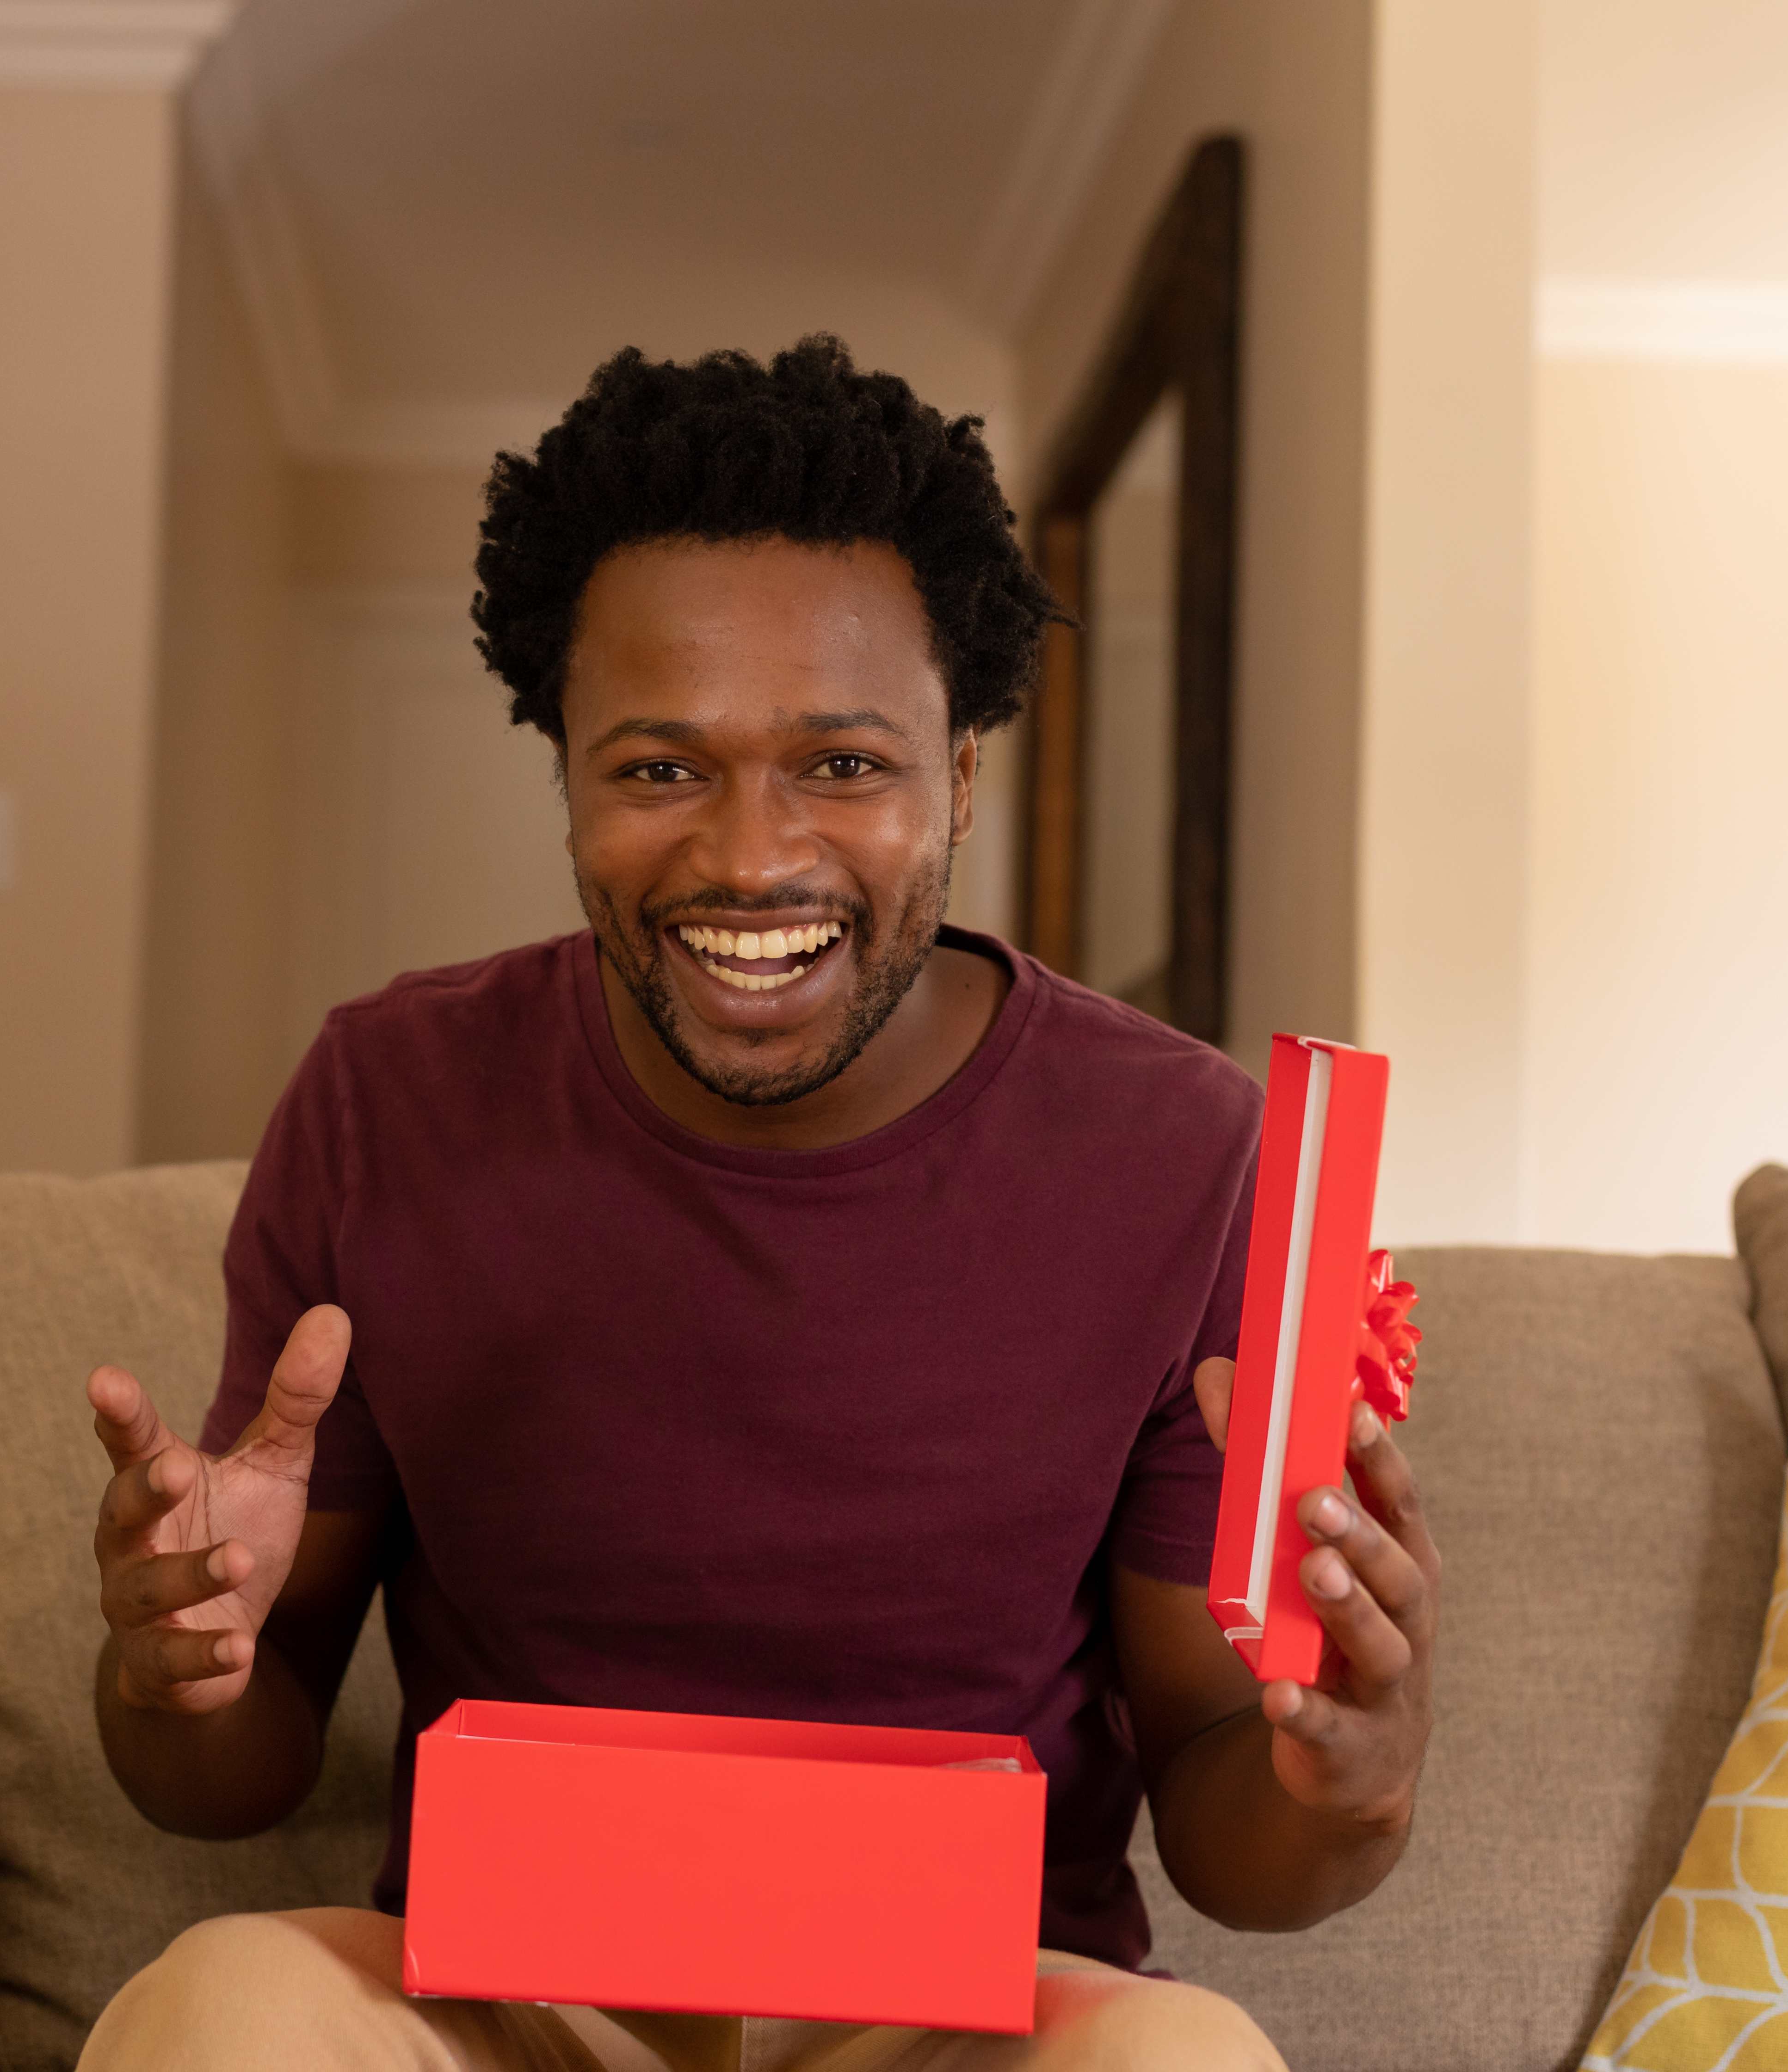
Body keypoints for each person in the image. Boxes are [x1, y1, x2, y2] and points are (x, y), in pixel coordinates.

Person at [77, 339, 1440, 2072]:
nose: (750, 856)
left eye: (844, 765)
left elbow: (1227, 1818)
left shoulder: (1188, 1152)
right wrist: (175, 1664)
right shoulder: (385, 1097)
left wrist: (1356, 1780)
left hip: (961, 2015)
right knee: (222, 2007)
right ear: (566, 779)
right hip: (505, 2001)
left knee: (1186, 2061)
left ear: (962, 771)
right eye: (660, 770)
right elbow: (228, 1774)